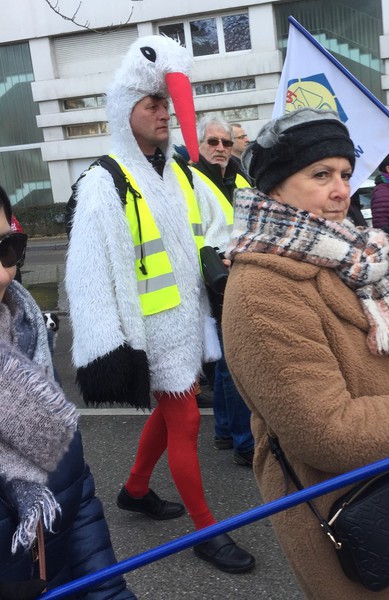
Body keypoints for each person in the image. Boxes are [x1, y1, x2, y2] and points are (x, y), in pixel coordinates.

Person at [222, 107, 389, 599]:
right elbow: (326, 432)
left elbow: (371, 356)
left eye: (345, 173)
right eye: (320, 175)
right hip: (354, 511)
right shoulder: (262, 290)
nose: (341, 190)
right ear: (274, 189)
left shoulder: (341, 255)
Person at [65, 35, 255, 573]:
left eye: (166, 103)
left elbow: (221, 226)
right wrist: (107, 346)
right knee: (186, 421)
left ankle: (134, 489)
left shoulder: (181, 173)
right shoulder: (104, 181)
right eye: (152, 103)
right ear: (125, 110)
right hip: (148, 330)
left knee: (174, 413)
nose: (164, 112)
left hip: (186, 324)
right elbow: (87, 275)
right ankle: (206, 530)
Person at [0, 186, 136, 599]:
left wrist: (108, 591)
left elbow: (74, 489)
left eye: (6, 248)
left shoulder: (27, 343)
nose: (2, 274)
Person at [191, 116, 255, 468]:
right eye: (212, 142)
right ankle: (244, 442)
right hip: (215, 274)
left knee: (228, 360)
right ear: (199, 144)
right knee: (235, 359)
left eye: (226, 143)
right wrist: (215, 261)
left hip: (241, 269)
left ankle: (226, 431)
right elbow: (190, 231)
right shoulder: (190, 178)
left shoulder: (240, 176)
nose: (220, 148)